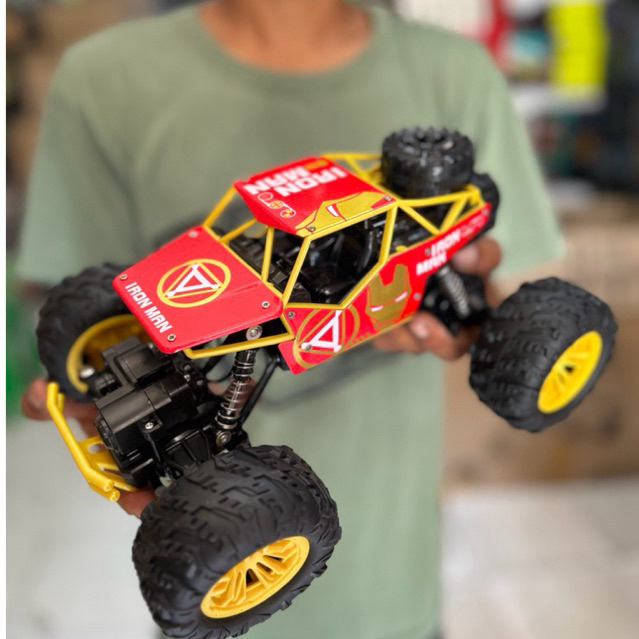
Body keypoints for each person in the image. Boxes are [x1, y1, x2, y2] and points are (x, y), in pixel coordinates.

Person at [18, 1, 564, 638]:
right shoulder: (102, 77)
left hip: (391, 583)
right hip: (253, 519)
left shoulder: (455, 72)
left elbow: (498, 282)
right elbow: (70, 291)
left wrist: (477, 312)